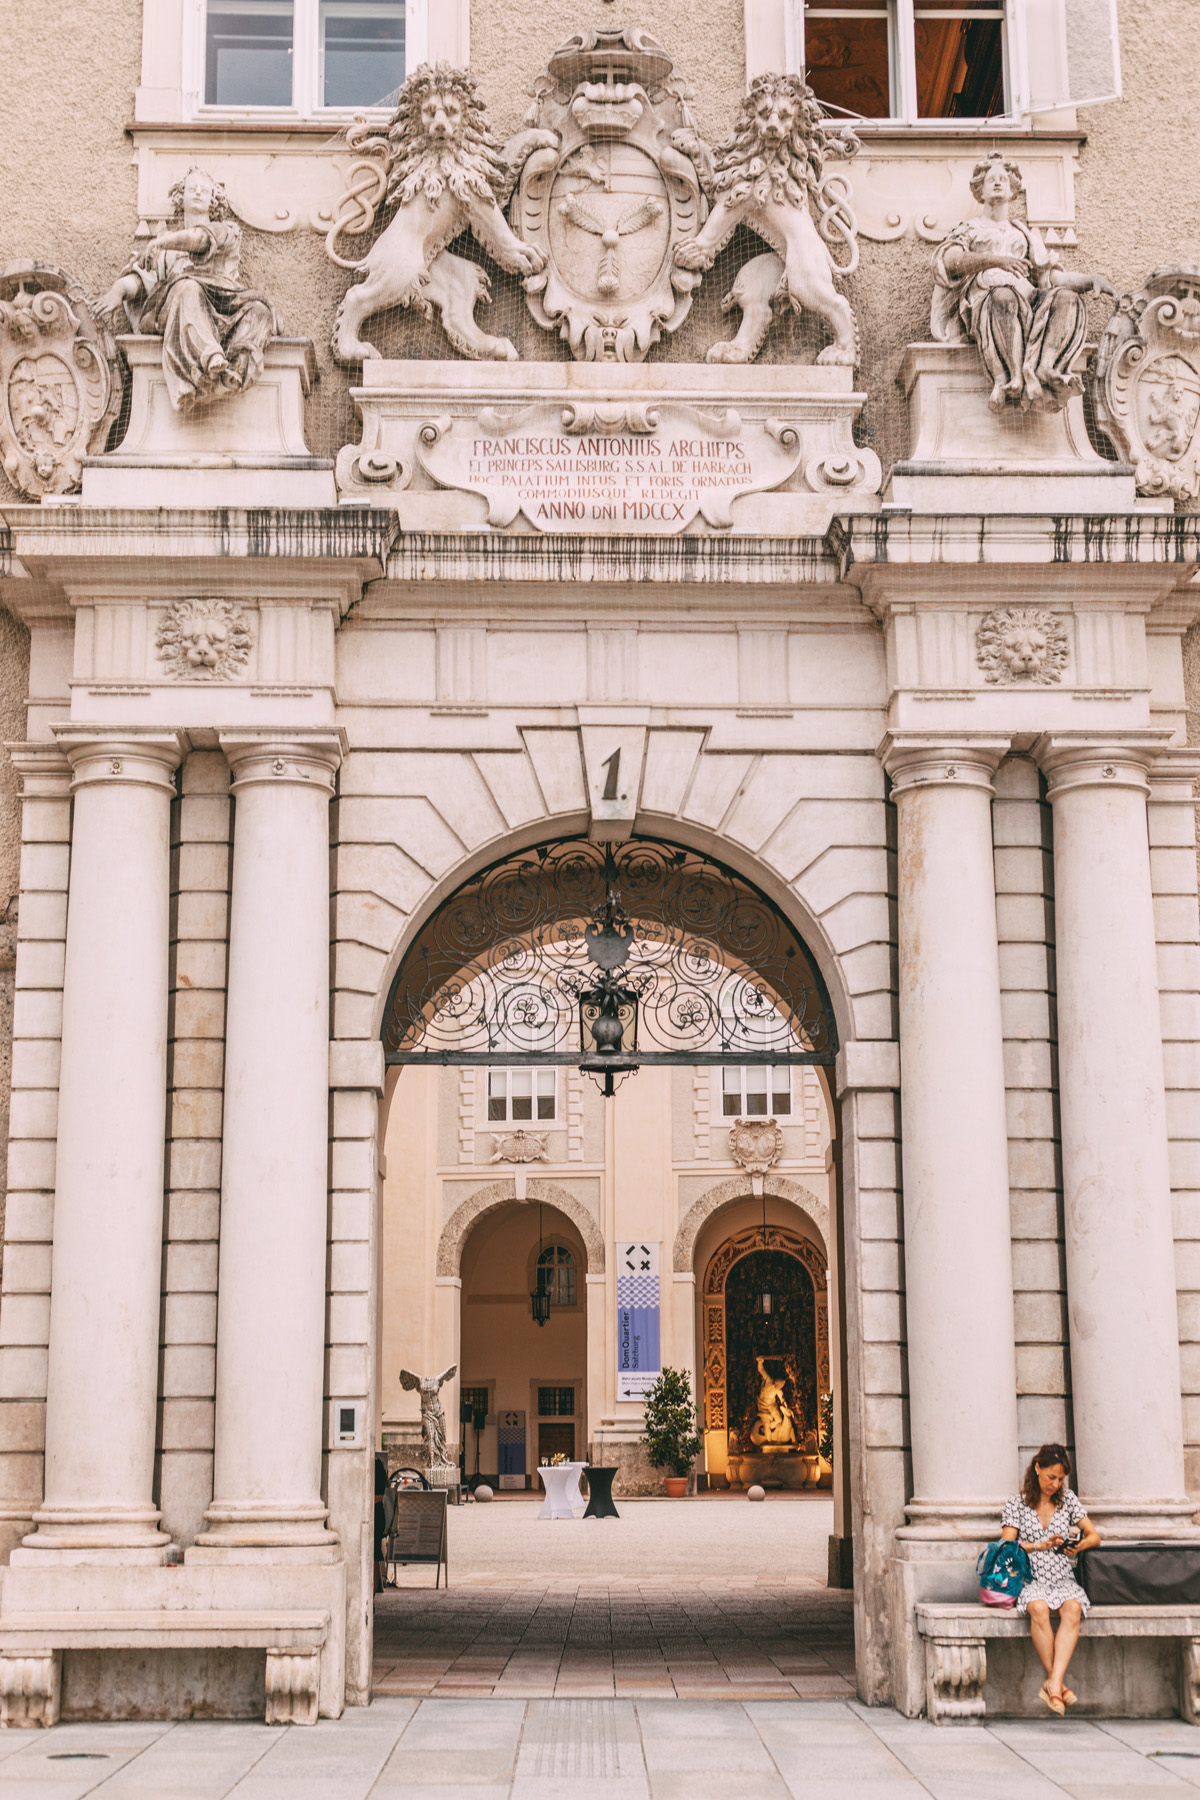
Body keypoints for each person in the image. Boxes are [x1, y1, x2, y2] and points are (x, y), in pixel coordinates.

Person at [931, 151, 1113, 414]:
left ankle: (1047, 368)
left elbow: (1049, 276)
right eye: (990, 179)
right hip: (989, 297)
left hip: (1026, 296)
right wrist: (995, 261)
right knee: (1003, 297)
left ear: (1013, 189)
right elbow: (950, 261)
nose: (997, 183)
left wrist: (1089, 280)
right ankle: (1010, 378)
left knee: (1066, 298)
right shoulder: (970, 228)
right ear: (979, 190)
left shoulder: (1023, 232)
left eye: (1003, 179)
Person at [99, 167, 278, 413]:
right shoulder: (165, 248)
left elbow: (201, 240)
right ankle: (209, 357)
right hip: (177, 307)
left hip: (224, 304)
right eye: (192, 188)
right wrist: (117, 292)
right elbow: (141, 281)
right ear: (180, 197)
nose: (197, 192)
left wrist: (158, 242)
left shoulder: (227, 232)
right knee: (188, 287)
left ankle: (234, 371)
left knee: (260, 310)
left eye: (204, 190)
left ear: (213, 201)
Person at [1000, 1443, 1100, 1715]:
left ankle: (1053, 1683)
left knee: (1073, 1608)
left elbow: (1094, 1536)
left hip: (1061, 1573)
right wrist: (1038, 1545)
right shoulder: (1017, 1503)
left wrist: (1077, 1546)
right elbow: (1008, 1546)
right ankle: (1057, 1685)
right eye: (1050, 1477)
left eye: (1060, 1479)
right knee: (1039, 1608)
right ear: (1037, 1469)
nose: (1055, 1484)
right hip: (1029, 1574)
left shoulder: (1067, 1500)